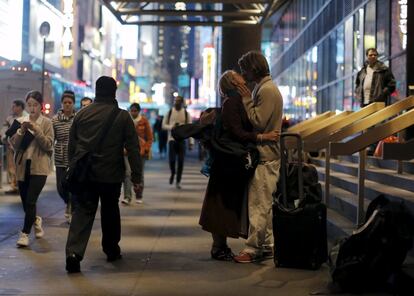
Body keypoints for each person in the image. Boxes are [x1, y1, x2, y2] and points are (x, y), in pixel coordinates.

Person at [199, 70, 280, 261]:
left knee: (223, 204)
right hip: (228, 164)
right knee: (221, 205)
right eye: (237, 75)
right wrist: (261, 136)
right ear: (233, 82)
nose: (243, 76)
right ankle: (218, 247)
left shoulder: (236, 99)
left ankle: (220, 247)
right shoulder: (234, 101)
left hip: (228, 162)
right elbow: (238, 131)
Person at [65, 76, 142, 273]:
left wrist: (71, 169)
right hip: (111, 174)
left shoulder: (82, 115)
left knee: (82, 211)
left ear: (96, 91)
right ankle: (111, 249)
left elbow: (72, 147)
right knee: (110, 211)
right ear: (114, 92)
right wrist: (136, 177)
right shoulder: (123, 116)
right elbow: (133, 149)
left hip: (85, 174)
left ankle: (73, 253)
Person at [233, 51, 283, 263]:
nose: (243, 74)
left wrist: (246, 99)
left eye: (245, 69)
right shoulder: (265, 88)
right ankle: (268, 244)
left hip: (265, 156)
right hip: (267, 155)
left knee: (258, 205)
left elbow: (259, 122)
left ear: (254, 68)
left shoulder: (267, 90)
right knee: (264, 204)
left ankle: (252, 249)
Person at [10, 91, 54, 248]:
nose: (32, 108)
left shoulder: (47, 123)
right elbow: (14, 145)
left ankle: (25, 233)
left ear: (41, 106)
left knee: (31, 200)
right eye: (29, 105)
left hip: (39, 168)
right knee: (25, 203)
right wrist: (21, 131)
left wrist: (36, 130)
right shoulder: (20, 120)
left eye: (35, 105)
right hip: (22, 167)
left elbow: (49, 145)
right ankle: (35, 219)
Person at [52, 90, 76, 223]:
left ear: (73, 103)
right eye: (65, 102)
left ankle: (72, 208)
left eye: (70, 102)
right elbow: (52, 138)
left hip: (73, 157)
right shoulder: (55, 120)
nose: (67, 105)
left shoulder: (78, 118)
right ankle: (68, 202)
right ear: (61, 104)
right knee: (60, 186)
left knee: (72, 185)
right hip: (60, 156)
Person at [121, 103, 153, 205]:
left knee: (140, 173)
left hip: (141, 152)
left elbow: (150, 137)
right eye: (132, 110)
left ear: (138, 111)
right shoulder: (126, 121)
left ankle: (139, 195)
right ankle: (127, 197)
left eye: (135, 111)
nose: (133, 112)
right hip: (127, 152)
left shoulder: (144, 121)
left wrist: (146, 148)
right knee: (127, 173)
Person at [162, 96, 193, 189]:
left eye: (179, 101)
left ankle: (178, 181)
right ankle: (173, 173)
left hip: (182, 140)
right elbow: (163, 125)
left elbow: (191, 129)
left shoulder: (186, 114)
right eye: (175, 101)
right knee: (172, 160)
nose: (177, 102)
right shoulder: (169, 112)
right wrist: (172, 127)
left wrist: (191, 142)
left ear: (182, 103)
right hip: (172, 140)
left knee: (181, 161)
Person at [1, 100, 26, 194]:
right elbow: (4, 129)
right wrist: (4, 136)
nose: (13, 108)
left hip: (22, 148)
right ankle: (14, 186)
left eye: (14, 106)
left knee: (21, 167)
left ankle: (21, 186)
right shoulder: (10, 118)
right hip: (10, 146)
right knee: (11, 166)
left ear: (20, 107)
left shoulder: (26, 117)